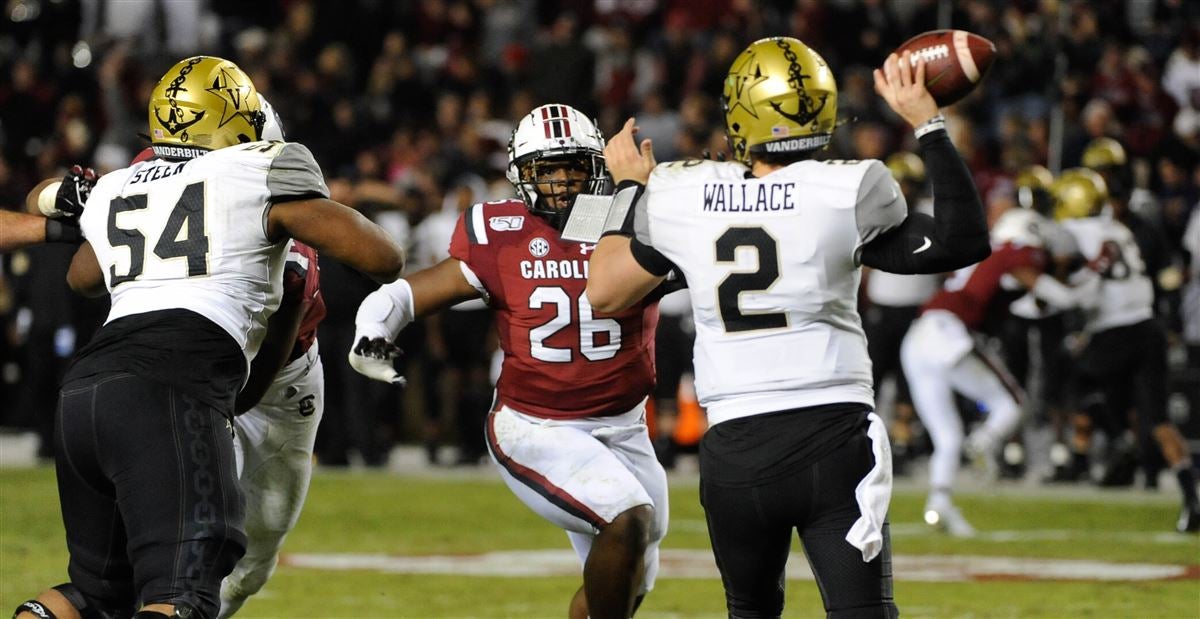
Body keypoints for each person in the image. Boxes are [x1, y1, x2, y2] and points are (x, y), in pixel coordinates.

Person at [586, 38, 990, 618]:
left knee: (750, 613)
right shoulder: (846, 190)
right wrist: (928, 124)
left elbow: (602, 292)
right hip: (834, 435)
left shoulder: (684, 195)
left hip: (735, 448)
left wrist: (627, 189)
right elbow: (962, 240)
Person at [13, 56, 404, 619]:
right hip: (176, 383)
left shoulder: (124, 181)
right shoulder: (259, 168)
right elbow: (383, 257)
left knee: (96, 594)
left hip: (86, 389)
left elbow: (81, 275)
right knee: (187, 596)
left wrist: (76, 201)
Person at [349, 103, 669, 619]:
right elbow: (408, 293)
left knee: (630, 579)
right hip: (536, 424)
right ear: (522, 176)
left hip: (624, 426)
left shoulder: (636, 217)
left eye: (573, 166)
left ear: (597, 165)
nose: (562, 181)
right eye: (548, 169)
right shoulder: (500, 230)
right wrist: (372, 330)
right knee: (626, 520)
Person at [1052, 168, 1200, 533]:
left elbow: (1075, 285)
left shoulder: (1076, 232)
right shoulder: (1119, 229)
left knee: (1068, 378)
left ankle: (1104, 447)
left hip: (1115, 330)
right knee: (1158, 421)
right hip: (1149, 328)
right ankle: (1191, 500)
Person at [861, 152, 940, 475]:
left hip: (917, 309)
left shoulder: (929, 215)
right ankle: (863, 442)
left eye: (906, 182)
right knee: (871, 378)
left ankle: (903, 443)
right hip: (882, 308)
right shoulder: (875, 212)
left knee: (910, 380)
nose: (902, 188)